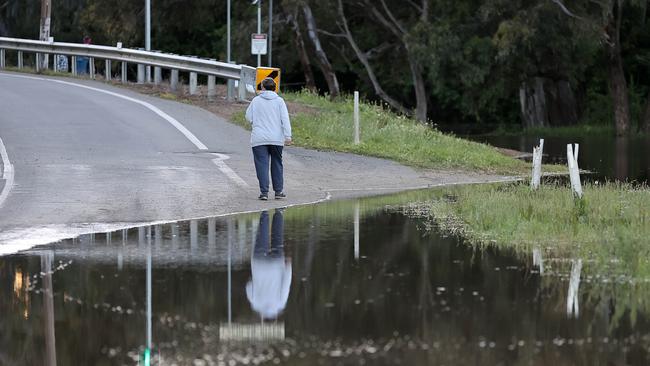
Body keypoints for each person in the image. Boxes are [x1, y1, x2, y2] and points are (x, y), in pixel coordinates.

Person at [245, 78, 292, 200]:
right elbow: (285, 119)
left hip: (259, 138)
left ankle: (264, 193)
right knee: (277, 163)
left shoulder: (256, 101)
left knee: (262, 164)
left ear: (263, 87)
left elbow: (248, 117)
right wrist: (288, 136)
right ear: (274, 88)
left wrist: (255, 122)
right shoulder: (280, 101)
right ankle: (278, 191)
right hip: (276, 138)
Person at [246, 209, 292, 319]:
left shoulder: (281, 304)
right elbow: (249, 286)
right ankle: (264, 214)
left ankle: (279, 213)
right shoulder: (255, 304)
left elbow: (286, 285)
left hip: (276, 265)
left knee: (277, 237)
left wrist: (289, 266)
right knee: (262, 236)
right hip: (259, 265)